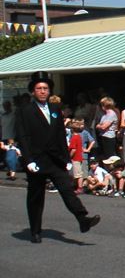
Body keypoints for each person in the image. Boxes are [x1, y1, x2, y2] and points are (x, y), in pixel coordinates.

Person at [15, 71, 101, 243]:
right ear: (33, 91)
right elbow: (23, 137)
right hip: (37, 160)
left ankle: (82, 219)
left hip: (55, 159)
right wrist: (28, 160)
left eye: (45, 88)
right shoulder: (25, 110)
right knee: (36, 197)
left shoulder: (55, 109)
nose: (42, 91)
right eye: (39, 88)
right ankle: (35, 231)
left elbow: (61, 136)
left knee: (67, 189)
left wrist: (67, 160)